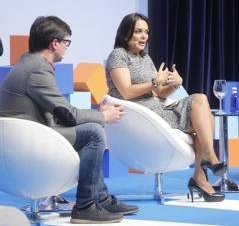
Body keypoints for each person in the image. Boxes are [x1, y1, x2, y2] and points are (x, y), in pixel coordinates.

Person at [0, 16, 139, 224]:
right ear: (54, 43)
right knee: (94, 133)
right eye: (66, 42)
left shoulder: (30, 63)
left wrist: (95, 114)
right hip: (27, 143)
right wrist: (103, 116)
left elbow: (61, 112)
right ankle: (85, 207)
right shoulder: (37, 68)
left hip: (27, 136)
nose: (67, 47)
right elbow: (67, 114)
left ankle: (99, 198)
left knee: (90, 128)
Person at [105, 13, 226, 202]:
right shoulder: (117, 56)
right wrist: (155, 81)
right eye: (138, 32)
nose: (144, 36)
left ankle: (204, 169)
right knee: (204, 118)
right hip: (140, 117)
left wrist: (175, 84)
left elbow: (160, 92)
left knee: (202, 103)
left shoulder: (145, 58)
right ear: (125, 34)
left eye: (146, 32)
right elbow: (126, 92)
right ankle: (204, 169)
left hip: (157, 111)